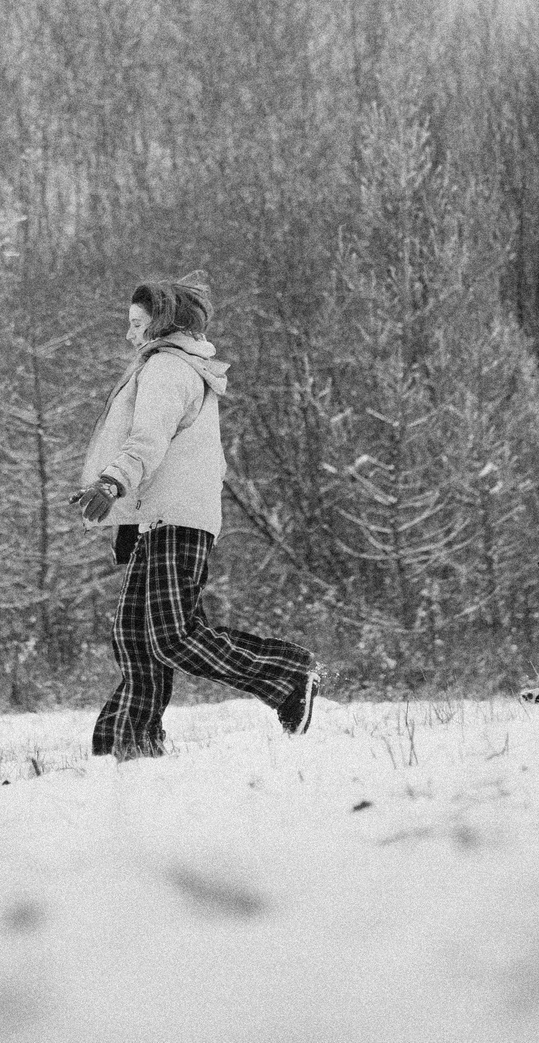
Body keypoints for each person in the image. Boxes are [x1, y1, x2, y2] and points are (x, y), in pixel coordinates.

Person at [74, 274, 320, 760]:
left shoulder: (167, 369)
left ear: (161, 324)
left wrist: (111, 483)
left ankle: (288, 674)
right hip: (158, 518)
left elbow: (148, 440)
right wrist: (126, 516)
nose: (129, 334)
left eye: (136, 323)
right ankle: (127, 742)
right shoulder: (169, 366)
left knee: (172, 635)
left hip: (177, 520)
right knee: (135, 635)